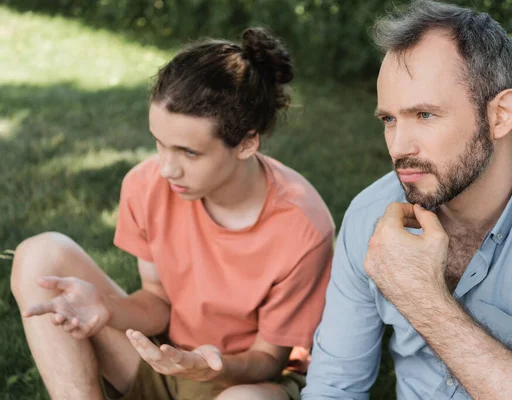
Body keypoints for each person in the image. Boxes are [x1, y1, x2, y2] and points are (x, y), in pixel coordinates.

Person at [10, 27, 335, 400]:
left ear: (246, 143)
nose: (166, 169)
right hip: (163, 357)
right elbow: (158, 303)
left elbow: (268, 360)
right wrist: (108, 308)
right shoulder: (146, 185)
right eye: (159, 144)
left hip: (242, 380)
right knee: (40, 253)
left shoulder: (303, 228)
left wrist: (210, 365)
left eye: (188, 153)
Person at [302, 1, 512, 399]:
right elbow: (332, 388)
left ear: (500, 115)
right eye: (389, 119)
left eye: (424, 115)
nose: (398, 147)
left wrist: (424, 300)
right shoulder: (372, 214)